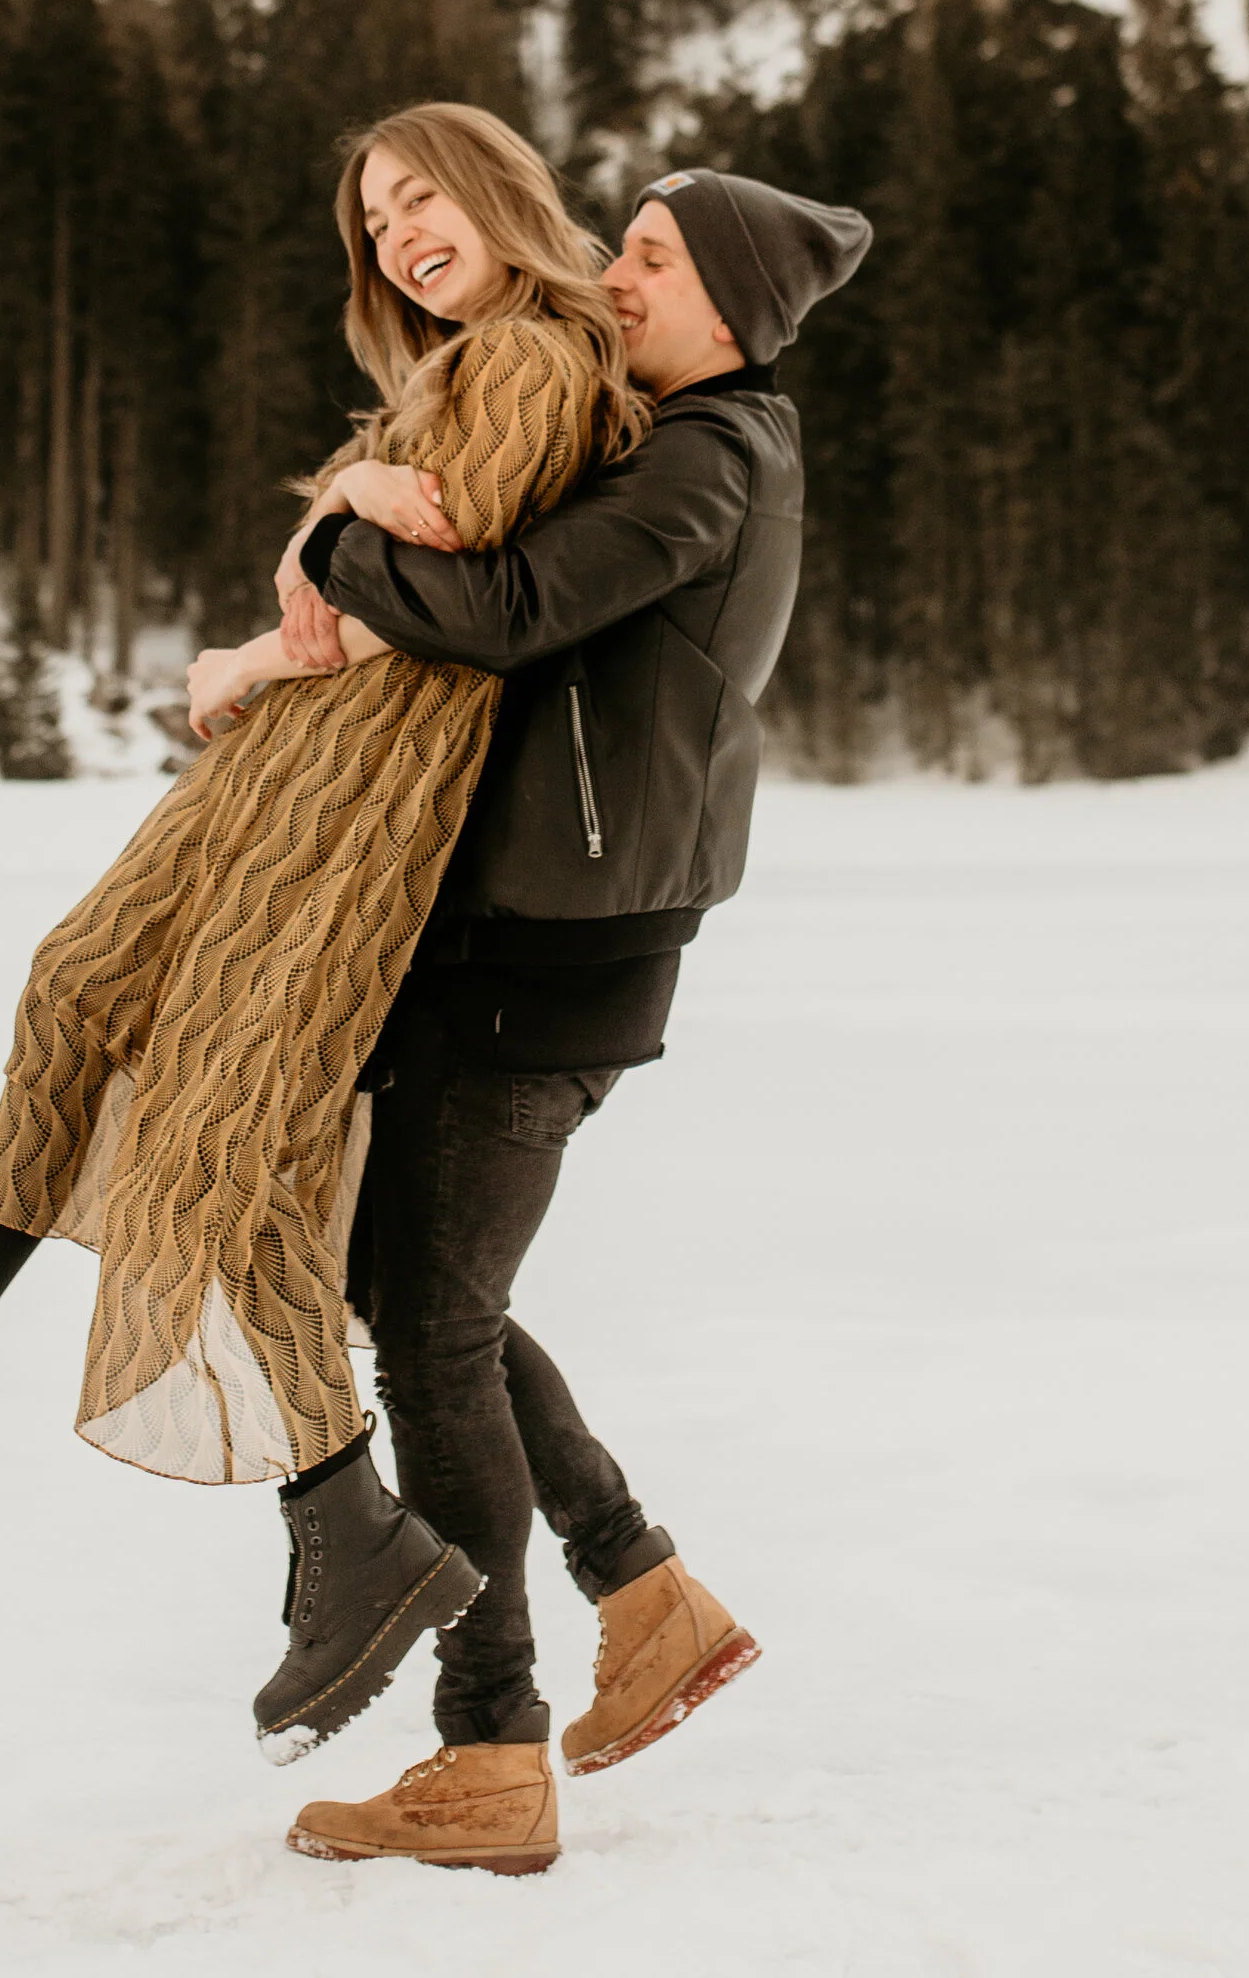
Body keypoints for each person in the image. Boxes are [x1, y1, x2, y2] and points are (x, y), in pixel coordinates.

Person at [0, 102, 646, 1769]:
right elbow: (365, 587)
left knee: (219, 1134)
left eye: (424, 196)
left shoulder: (541, 352)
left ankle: (348, 1527)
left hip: (365, 802)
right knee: (78, 991)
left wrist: (340, 505)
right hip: (294, 770)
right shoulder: (462, 361)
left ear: (499, 193)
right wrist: (264, 651)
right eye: (375, 218)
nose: (402, 232)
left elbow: (459, 561)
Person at [271, 164, 870, 1879]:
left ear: (736, 305)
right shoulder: (680, 438)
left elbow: (507, 610)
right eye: (617, 243)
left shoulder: (711, 453)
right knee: (417, 1289)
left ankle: (492, 1747)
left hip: (562, 943)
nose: (616, 277)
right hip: (538, 929)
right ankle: (645, 1591)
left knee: (432, 1327)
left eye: (657, 259)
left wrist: (338, 536)